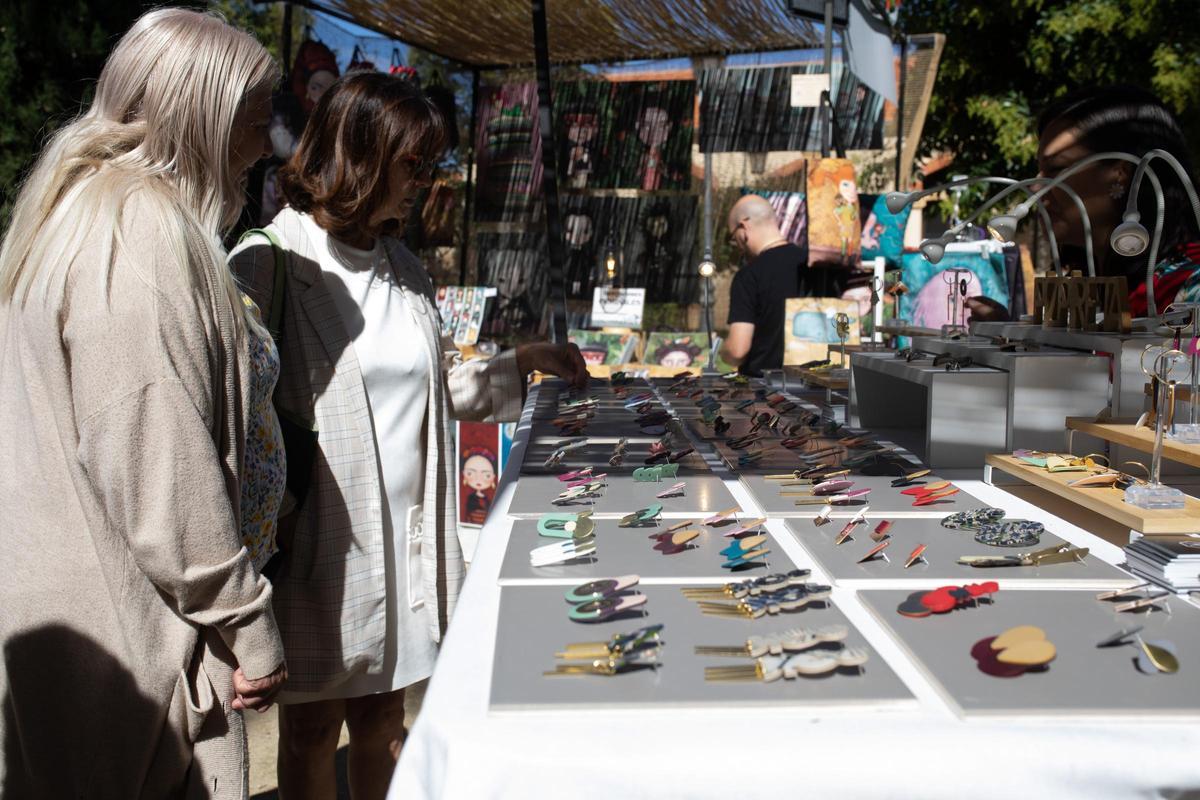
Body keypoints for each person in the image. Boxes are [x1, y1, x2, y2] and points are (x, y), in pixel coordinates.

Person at [228, 71, 587, 800]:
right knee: (308, 733)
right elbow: (233, 415)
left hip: (405, 539)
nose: (422, 183)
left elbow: (435, 393)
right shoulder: (268, 261)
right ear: (360, 153)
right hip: (320, 541)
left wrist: (519, 364)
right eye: (412, 164)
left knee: (386, 723)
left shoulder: (406, 270)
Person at [0, 9, 286, 798]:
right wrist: (247, 620)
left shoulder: (77, 209)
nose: (268, 144)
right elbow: (160, 460)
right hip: (131, 635)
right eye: (256, 120)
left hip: (82, 619)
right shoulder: (139, 232)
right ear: (202, 115)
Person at [967, 85, 1200, 322]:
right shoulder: (1086, 287)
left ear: (1121, 172)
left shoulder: (1190, 288)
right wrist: (1005, 337)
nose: (1036, 188)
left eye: (1056, 169)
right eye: (1039, 171)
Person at [720, 194, 813, 375]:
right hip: (816, 385)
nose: (737, 245)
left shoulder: (748, 275)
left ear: (744, 226)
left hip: (764, 390)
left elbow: (738, 350)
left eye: (734, 237)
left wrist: (724, 351)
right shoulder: (813, 264)